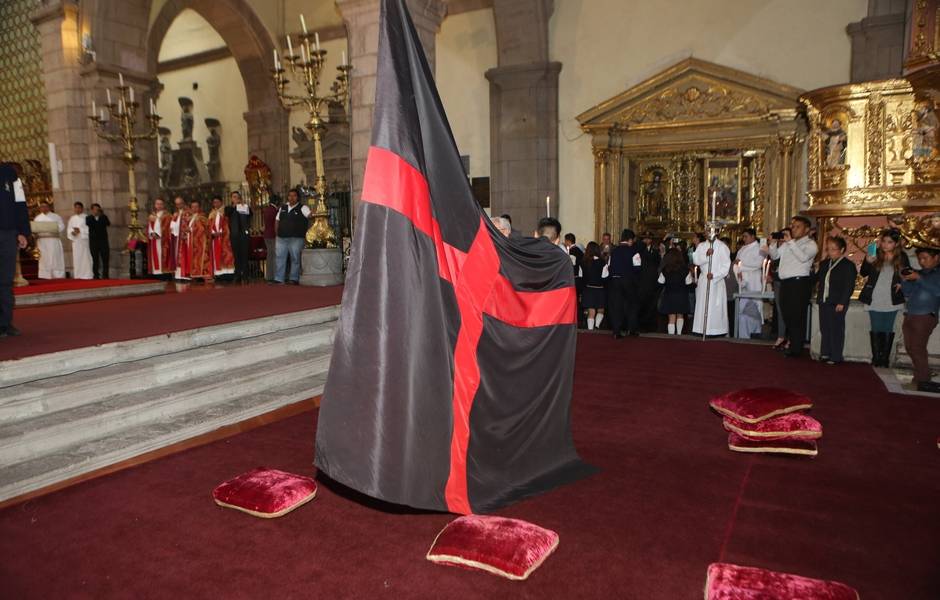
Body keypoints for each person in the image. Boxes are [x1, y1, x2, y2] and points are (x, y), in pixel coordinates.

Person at [769, 216, 818, 357]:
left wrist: (790, 242)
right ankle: (792, 343)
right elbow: (775, 256)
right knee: (787, 315)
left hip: (799, 283)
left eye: (797, 226)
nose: (793, 229)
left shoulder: (811, 244)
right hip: (786, 283)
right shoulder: (788, 244)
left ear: (807, 229)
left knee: (797, 316)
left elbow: (803, 257)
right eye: (792, 225)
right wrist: (773, 245)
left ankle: (796, 348)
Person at [859, 228, 909, 367]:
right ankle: (876, 358)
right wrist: (868, 261)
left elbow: (908, 274)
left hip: (892, 297)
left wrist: (902, 282)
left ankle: (884, 359)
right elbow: (863, 273)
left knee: (888, 327)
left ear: (896, 244)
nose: (885, 245)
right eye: (883, 241)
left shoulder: (902, 257)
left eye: (889, 242)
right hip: (874, 296)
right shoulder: (874, 253)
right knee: (876, 327)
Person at [900, 247, 940, 393]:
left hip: (926, 315)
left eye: (925, 258)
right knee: (910, 347)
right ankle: (922, 376)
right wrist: (904, 280)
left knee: (917, 347)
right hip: (911, 313)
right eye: (920, 259)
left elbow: (937, 290)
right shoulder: (921, 273)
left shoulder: (937, 273)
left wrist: (919, 278)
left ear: (936, 257)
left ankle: (923, 379)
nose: (922, 262)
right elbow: (908, 292)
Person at [815, 236, 856, 365]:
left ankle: (836, 355)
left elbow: (849, 286)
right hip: (824, 300)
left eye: (834, 249)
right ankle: (825, 353)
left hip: (837, 302)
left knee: (836, 329)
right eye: (828, 249)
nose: (830, 252)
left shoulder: (848, 265)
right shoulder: (824, 264)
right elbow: (818, 280)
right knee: (824, 328)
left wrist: (842, 302)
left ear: (842, 249)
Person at [0, 163, 30, 337]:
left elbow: (20, 205)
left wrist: (23, 232)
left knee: (5, 280)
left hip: (8, 233)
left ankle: (5, 323)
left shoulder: (11, 175)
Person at [692, 233, 731, 336]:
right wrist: (706, 255)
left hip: (716, 281)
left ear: (716, 232)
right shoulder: (701, 246)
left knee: (715, 306)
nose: (710, 233)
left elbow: (726, 265)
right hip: (704, 279)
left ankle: (716, 330)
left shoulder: (722, 247)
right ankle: (700, 329)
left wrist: (715, 275)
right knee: (702, 304)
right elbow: (695, 260)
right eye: (708, 231)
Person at [608, 229, 644, 338]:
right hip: (628, 280)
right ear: (629, 240)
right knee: (632, 305)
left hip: (615, 280)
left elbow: (609, 266)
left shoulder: (613, 251)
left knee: (616, 306)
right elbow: (638, 268)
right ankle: (631, 329)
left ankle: (616, 331)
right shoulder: (634, 252)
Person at [735, 228, 767, 339]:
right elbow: (736, 262)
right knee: (742, 308)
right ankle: (742, 334)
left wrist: (741, 265)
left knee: (756, 306)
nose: (743, 239)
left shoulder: (760, 247)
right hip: (742, 278)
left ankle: (756, 332)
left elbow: (758, 263)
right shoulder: (742, 248)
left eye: (746, 236)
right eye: (743, 236)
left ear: (753, 236)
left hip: (754, 279)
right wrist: (738, 269)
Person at [275, 188, 310, 285]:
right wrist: (277, 233)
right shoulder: (283, 208)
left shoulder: (303, 208)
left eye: (294, 196)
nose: (291, 198)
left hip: (296, 238)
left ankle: (293, 278)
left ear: (297, 197)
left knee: (295, 258)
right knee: (279, 258)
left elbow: (311, 217)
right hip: (281, 238)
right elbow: (277, 220)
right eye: (290, 196)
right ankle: (279, 278)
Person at [658, 247, 692, 335]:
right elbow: (689, 284)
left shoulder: (665, 270)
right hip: (682, 295)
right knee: (680, 315)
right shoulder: (685, 270)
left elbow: (660, 283)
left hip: (669, 295)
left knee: (671, 317)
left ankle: (671, 337)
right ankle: (679, 334)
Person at [34, 201, 65, 279]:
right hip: (42, 241)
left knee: (55, 256)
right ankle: (44, 275)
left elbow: (62, 226)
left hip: (53, 240)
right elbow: (35, 228)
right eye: (42, 207)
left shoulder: (56, 216)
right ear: (40, 208)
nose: (43, 208)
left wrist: (54, 229)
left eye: (45, 206)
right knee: (44, 258)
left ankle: (57, 274)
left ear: (49, 207)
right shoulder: (37, 218)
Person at [225, 191, 252, 282]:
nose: (235, 198)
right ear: (231, 199)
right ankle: (237, 275)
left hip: (244, 234)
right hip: (234, 235)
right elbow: (227, 213)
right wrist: (235, 206)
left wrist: (244, 205)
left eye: (237, 197)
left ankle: (245, 275)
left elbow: (250, 214)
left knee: (244, 254)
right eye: (234, 197)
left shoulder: (244, 207)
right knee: (236, 256)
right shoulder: (229, 208)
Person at [580, 241, 608, 330]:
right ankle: (597, 326)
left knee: (591, 311)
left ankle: (590, 330)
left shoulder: (583, 262)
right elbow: (605, 277)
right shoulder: (602, 262)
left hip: (588, 289)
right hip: (600, 289)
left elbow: (581, 278)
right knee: (601, 310)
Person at [638, 232, 661, 332]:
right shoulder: (639, 250)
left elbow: (658, 263)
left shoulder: (655, 250)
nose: (646, 241)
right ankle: (641, 324)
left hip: (652, 281)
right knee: (642, 303)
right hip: (642, 281)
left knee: (651, 304)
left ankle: (650, 325)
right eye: (644, 239)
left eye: (648, 239)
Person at [208, 196, 235, 279]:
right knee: (217, 255)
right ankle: (219, 274)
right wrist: (212, 233)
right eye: (214, 202)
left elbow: (228, 223)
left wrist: (222, 232)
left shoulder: (226, 211)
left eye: (217, 202)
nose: (215, 204)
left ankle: (228, 274)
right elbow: (209, 225)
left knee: (226, 255)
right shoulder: (212, 213)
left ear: (221, 202)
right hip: (215, 238)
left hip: (224, 237)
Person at [67, 202, 93, 280]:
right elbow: (69, 228)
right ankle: (78, 274)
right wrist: (72, 232)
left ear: (82, 208)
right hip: (76, 241)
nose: (77, 209)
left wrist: (80, 230)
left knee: (85, 257)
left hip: (84, 240)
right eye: (76, 208)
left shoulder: (87, 217)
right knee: (77, 257)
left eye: (79, 207)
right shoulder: (72, 218)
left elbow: (89, 229)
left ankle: (87, 274)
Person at [187, 201, 212, 282]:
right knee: (194, 259)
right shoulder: (191, 217)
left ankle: (205, 275)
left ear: (199, 207)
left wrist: (191, 229)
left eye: (196, 206)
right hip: (192, 241)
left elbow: (202, 229)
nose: (194, 208)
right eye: (193, 207)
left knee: (203, 259)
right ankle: (196, 274)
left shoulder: (202, 217)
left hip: (201, 242)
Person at [147, 198, 172, 277]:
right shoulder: (152, 215)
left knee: (162, 255)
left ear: (164, 205)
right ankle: (156, 273)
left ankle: (164, 274)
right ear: (155, 205)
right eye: (157, 204)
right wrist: (152, 233)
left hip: (162, 240)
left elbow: (167, 227)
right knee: (155, 255)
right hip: (154, 239)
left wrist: (158, 234)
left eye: (161, 204)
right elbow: (149, 226)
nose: (159, 206)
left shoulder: (167, 216)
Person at [86, 203, 110, 279]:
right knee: (95, 259)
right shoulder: (89, 218)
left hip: (103, 241)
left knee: (105, 258)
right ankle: (96, 275)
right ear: (92, 210)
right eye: (95, 209)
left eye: (98, 209)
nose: (96, 211)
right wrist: (95, 217)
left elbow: (108, 223)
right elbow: (90, 224)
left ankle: (105, 275)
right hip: (94, 242)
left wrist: (101, 215)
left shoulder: (103, 217)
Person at [170, 196, 190, 281]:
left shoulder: (188, 212)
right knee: (177, 256)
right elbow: (172, 225)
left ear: (184, 202)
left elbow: (189, 224)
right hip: (177, 238)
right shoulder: (176, 214)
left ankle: (185, 274)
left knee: (184, 255)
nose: (179, 205)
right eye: (177, 204)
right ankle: (178, 275)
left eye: (180, 203)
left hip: (184, 237)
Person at [263, 194, 280, 281]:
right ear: (276, 202)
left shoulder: (267, 209)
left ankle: (269, 276)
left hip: (266, 235)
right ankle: (273, 276)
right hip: (273, 235)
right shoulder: (274, 210)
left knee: (270, 255)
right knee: (273, 256)